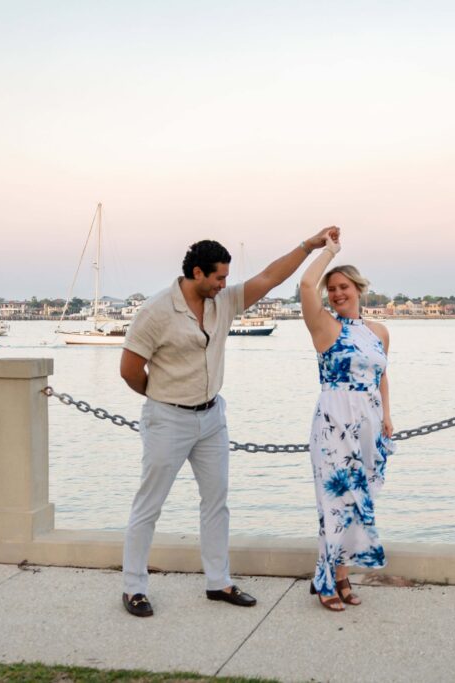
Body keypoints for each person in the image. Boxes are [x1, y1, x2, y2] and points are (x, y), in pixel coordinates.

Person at [118, 227, 339, 617]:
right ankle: (133, 588)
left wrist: (309, 245)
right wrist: (164, 397)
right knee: (149, 505)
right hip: (167, 418)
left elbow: (269, 277)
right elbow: (130, 370)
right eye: (218, 277)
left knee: (216, 503)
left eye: (225, 277)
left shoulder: (225, 302)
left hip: (212, 418)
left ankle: (218, 582)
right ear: (197, 273)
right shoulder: (155, 311)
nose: (224, 284)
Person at [299, 231, 395, 611]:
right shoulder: (325, 327)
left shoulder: (378, 332)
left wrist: (387, 415)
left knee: (358, 503)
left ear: (358, 288)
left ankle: (342, 576)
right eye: (332, 289)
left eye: (343, 287)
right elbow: (306, 283)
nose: (337, 294)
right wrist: (328, 251)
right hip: (335, 422)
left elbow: (382, 375)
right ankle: (326, 581)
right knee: (334, 502)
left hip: (369, 423)